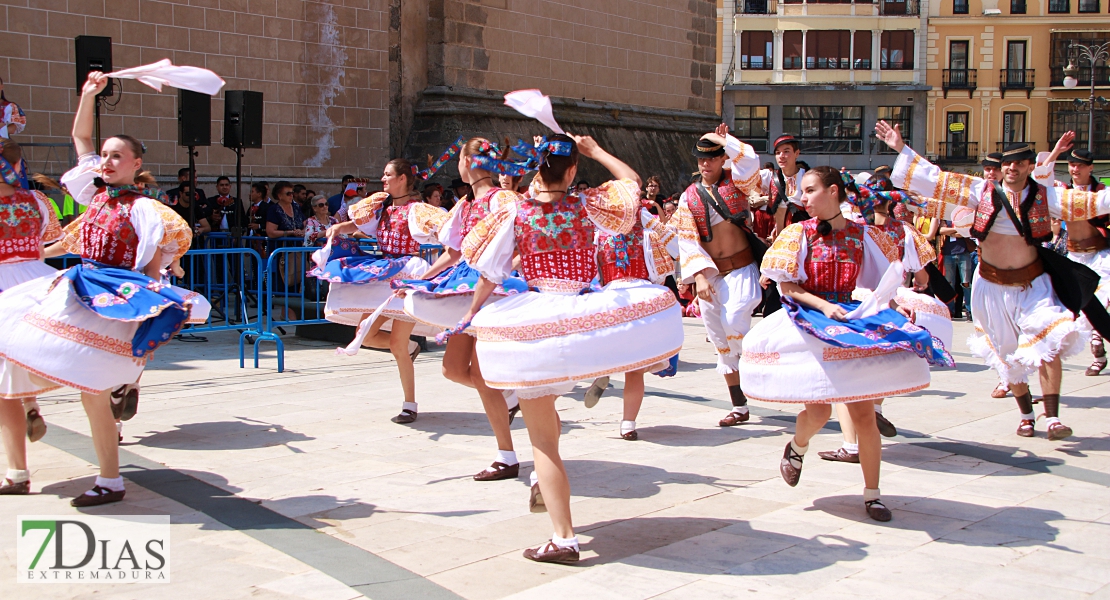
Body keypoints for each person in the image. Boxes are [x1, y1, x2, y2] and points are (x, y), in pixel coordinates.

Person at [451, 133, 681, 564]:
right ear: (573, 170)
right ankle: (550, 491)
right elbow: (630, 184)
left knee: (543, 442)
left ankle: (564, 537)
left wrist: (471, 314)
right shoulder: (586, 204)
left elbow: (489, 273)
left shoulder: (512, 209)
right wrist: (598, 152)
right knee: (548, 414)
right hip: (577, 319)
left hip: (536, 322)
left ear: (535, 167)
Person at [0, 71, 205, 505]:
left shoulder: (146, 210)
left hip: (114, 297)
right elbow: (81, 138)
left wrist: (150, 305)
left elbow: (154, 262)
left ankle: (110, 478)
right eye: (105, 155)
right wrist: (88, 95)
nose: (107, 161)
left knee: (91, 393)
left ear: (136, 164)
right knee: (21, 348)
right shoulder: (94, 194)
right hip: (79, 287)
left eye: (117, 156)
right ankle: (77, 407)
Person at [739, 166, 953, 522]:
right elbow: (787, 287)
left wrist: (899, 309)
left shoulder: (863, 235)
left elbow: (883, 283)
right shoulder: (797, 233)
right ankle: (797, 446)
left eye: (809, 190)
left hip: (848, 318)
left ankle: (873, 495)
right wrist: (825, 306)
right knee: (820, 411)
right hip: (810, 318)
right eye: (802, 192)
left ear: (834, 191)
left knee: (863, 414)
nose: (803, 198)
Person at [878, 121, 1110, 441]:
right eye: (1006, 163)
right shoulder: (980, 191)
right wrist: (901, 149)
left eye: (1018, 163)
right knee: (1008, 354)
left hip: (1034, 285)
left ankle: (1053, 418)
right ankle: (1026, 415)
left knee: (1051, 341)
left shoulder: (1047, 196)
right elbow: (937, 179)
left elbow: (1089, 203)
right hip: (991, 287)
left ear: (1031, 166)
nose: (1011, 168)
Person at [394, 138, 531, 479]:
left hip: (490, 289)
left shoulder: (502, 199)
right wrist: (420, 280)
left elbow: (525, 240)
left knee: (483, 377)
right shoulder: (466, 205)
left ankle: (506, 455)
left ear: (468, 161)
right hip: (463, 284)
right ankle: (510, 397)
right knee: (453, 369)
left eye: (459, 158)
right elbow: (453, 252)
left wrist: (505, 270)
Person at [820, 171, 953, 463]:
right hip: (891, 305)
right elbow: (921, 275)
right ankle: (876, 410)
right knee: (878, 365)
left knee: (845, 375)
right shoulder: (905, 230)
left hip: (854, 303)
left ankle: (851, 445)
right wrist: (914, 286)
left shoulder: (853, 227)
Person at [310, 159, 448, 423]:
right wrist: (339, 227)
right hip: (384, 272)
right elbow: (360, 226)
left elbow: (445, 229)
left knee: (395, 342)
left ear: (403, 179)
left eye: (388, 175)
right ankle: (409, 348)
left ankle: (410, 404)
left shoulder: (417, 210)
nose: (383, 179)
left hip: (408, 274)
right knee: (366, 334)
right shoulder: (381, 209)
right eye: (384, 175)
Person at [671, 124, 767, 427]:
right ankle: (739, 406)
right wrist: (698, 276)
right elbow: (686, 239)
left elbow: (750, 161)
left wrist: (726, 140)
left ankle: (761, 365)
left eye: (712, 158)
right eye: (701, 160)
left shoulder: (738, 182)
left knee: (735, 318)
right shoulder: (689, 196)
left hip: (741, 269)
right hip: (711, 274)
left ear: (722, 159)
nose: (705, 165)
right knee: (720, 339)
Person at [0, 141, 64, 463]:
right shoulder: (37, 199)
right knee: (21, 349)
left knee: (3, 356)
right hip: (33, 278)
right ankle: (30, 406)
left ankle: (17, 462)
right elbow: (52, 241)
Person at [1035, 147, 1109, 376]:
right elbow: (1040, 181)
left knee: (1101, 297)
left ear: (1090, 168)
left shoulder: (1101, 192)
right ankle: (1100, 354)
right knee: (1081, 306)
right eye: (1071, 165)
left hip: (1100, 255)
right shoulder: (1062, 192)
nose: (1075, 169)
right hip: (1074, 257)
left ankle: (1098, 342)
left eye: (1080, 165)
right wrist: (1056, 151)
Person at [758, 134, 809, 238]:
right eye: (777, 153)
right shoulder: (772, 178)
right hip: (784, 235)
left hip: (806, 233)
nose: (781, 156)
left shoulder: (808, 176)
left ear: (797, 153)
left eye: (786, 151)